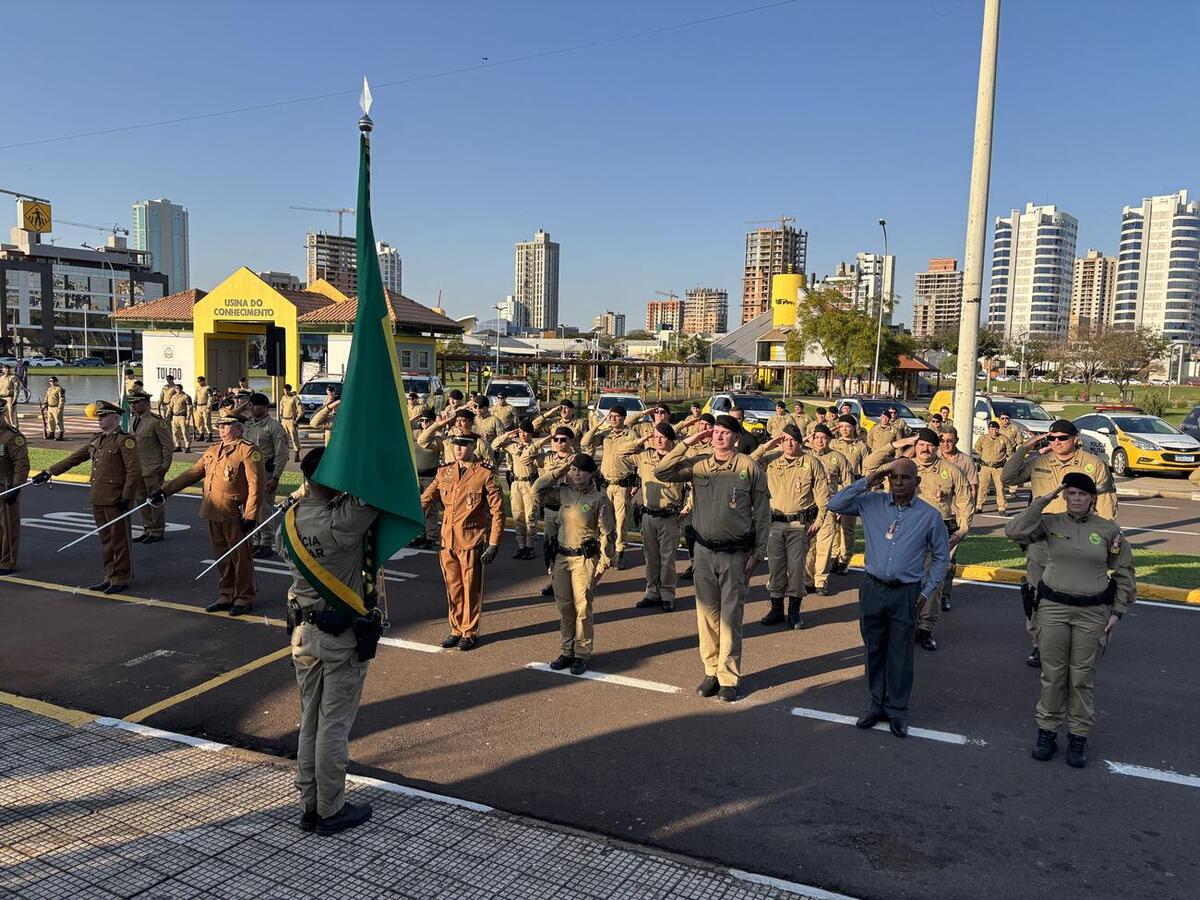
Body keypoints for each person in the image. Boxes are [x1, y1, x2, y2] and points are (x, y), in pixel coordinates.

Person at [279, 447, 381, 836]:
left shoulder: (290, 518)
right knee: (333, 725)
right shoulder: (344, 521)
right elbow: (379, 487)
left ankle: (308, 803)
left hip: (303, 633)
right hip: (340, 637)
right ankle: (330, 808)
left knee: (309, 722)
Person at [1004, 474, 1135, 768]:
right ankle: (1047, 731)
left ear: (1092, 498)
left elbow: (1124, 573)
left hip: (1093, 612)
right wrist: (1044, 500)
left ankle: (1078, 735)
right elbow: (1013, 531)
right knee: (1053, 673)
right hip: (1053, 608)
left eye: (1082, 494)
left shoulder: (1108, 530)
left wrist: (1117, 612)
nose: (1076, 498)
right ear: (1064, 495)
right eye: (1071, 493)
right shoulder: (1050, 524)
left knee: (1082, 676)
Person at [827, 457, 950, 738]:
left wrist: (926, 591)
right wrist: (868, 480)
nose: (898, 482)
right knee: (873, 648)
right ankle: (875, 705)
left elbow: (942, 558)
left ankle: (897, 710)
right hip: (873, 588)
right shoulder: (871, 503)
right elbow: (834, 504)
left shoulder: (929, 516)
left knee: (900, 653)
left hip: (906, 592)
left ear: (917, 482)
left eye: (906, 478)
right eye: (893, 477)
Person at [655, 415, 770, 702]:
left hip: (735, 554)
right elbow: (661, 471)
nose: (718, 437)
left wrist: (757, 554)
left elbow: (763, 515)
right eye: (714, 432)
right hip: (704, 552)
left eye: (724, 433)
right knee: (706, 615)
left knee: (731, 616)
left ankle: (729, 676)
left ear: (736, 438)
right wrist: (689, 442)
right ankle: (711, 671)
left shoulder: (749, 467)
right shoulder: (699, 464)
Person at [1002, 419, 1116, 666]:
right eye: (1052, 438)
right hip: (1043, 538)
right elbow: (1008, 478)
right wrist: (1025, 447)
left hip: (1080, 537)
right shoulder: (1040, 461)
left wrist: (1104, 542)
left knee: (1071, 593)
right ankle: (1039, 644)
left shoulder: (1093, 464)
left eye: (1062, 438)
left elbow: (1106, 506)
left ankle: (1074, 642)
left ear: (1075, 438)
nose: (1056, 443)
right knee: (1036, 593)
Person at [154, 412, 264, 614]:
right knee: (222, 556)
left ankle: (244, 597)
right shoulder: (213, 450)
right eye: (220, 426)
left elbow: (255, 485)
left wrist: (250, 515)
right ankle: (226, 595)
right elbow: (192, 473)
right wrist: (165, 491)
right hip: (213, 511)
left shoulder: (248, 451)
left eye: (226, 426)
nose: (221, 430)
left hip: (235, 512)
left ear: (238, 428)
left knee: (240, 558)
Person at [35, 401, 140, 592]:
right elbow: (74, 458)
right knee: (106, 540)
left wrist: (127, 497)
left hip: (116, 499)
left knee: (119, 539)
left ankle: (121, 578)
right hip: (98, 497)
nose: (99, 420)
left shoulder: (125, 440)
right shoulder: (97, 439)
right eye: (99, 417)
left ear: (115, 418)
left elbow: (134, 472)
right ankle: (109, 575)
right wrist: (49, 471)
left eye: (103, 416)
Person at [420, 434, 504, 650]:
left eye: (463, 444)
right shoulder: (444, 472)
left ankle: (469, 631)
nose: (458, 448)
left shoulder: (485, 474)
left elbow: (497, 511)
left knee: (471, 588)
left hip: (471, 539)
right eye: (455, 444)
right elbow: (425, 500)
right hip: (448, 540)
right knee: (453, 587)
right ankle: (456, 629)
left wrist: (493, 543)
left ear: (473, 446)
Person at [535, 452, 615, 674]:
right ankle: (566, 650)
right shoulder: (563, 493)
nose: (576, 473)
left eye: (581, 469)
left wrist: (604, 562)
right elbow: (536, 491)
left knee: (582, 608)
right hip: (561, 557)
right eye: (573, 469)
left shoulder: (599, 499)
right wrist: (558, 470)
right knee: (565, 607)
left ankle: (581, 653)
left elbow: (608, 532)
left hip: (584, 559)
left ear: (591, 474)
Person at [751, 424, 830, 628]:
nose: (788, 443)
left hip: (799, 526)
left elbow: (823, 496)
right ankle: (776, 610)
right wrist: (769, 445)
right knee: (775, 570)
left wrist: (819, 522)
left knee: (796, 571)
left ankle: (794, 612)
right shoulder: (772, 460)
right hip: (774, 524)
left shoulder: (811, 462)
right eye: (784, 439)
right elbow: (749, 461)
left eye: (792, 439)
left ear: (800, 441)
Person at [911, 428, 972, 648]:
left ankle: (926, 629)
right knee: (906, 582)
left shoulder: (951, 470)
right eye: (920, 445)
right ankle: (908, 625)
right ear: (915, 446)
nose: (924, 449)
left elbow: (965, 502)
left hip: (939, 534)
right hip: (909, 534)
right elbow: (871, 466)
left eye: (929, 445)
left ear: (936, 448)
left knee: (933, 584)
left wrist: (961, 531)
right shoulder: (905, 468)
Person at [626, 421, 689, 612]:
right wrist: (644, 438)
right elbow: (622, 453)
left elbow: (694, 485)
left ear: (671, 440)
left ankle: (668, 593)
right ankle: (652, 592)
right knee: (651, 557)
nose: (658, 440)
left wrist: (689, 507)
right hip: (648, 515)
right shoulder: (645, 456)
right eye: (656, 436)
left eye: (662, 437)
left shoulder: (679, 460)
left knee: (667, 558)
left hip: (669, 516)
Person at [581, 403, 650, 568]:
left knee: (620, 520)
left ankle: (619, 552)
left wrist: (637, 482)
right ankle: (606, 553)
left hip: (622, 485)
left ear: (623, 418)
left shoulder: (631, 435)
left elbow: (639, 460)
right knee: (604, 520)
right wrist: (598, 424)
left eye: (616, 416)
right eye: (610, 416)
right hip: (605, 485)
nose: (612, 419)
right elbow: (585, 442)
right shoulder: (606, 434)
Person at [807, 425, 852, 596]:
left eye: (823, 437)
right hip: (808, 507)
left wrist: (841, 505)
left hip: (828, 507)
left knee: (825, 545)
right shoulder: (805, 456)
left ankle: (821, 581)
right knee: (809, 546)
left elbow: (848, 485)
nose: (819, 441)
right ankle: (808, 579)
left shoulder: (838, 458)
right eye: (816, 437)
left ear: (829, 439)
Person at [243, 393, 290, 559]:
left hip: (265, 473)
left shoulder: (274, 426)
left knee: (264, 509)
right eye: (250, 405)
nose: (251, 408)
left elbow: (282, 454)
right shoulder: (248, 425)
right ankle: (255, 540)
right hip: (249, 473)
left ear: (264, 407)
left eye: (254, 405)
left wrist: (275, 477)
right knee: (251, 508)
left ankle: (266, 543)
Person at [937, 426, 978, 613]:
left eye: (950, 440)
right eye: (942, 440)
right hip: (932, 516)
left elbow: (972, 490)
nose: (946, 444)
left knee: (948, 560)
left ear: (956, 440)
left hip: (954, 517)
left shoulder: (966, 461)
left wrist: (965, 520)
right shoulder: (932, 457)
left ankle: (944, 595)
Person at [126, 390, 174, 544]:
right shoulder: (134, 420)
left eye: (136, 402)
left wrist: (164, 467)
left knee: (155, 501)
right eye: (131, 403)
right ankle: (147, 529)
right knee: (141, 500)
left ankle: (157, 531)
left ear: (146, 403)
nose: (133, 406)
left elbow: (168, 446)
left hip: (153, 469)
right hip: (137, 469)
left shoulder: (156, 421)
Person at [536, 425, 578, 597]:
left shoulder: (577, 460)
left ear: (571, 441)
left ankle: (572, 581)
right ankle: (554, 580)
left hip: (568, 510)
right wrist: (546, 438)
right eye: (556, 440)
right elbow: (524, 458)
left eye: (563, 440)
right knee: (550, 546)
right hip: (550, 509)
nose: (559, 443)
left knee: (568, 547)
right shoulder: (547, 458)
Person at [493, 420, 542, 559]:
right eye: (520, 432)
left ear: (531, 433)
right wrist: (508, 434)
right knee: (517, 516)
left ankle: (529, 546)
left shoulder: (535, 447)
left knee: (530, 516)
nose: (523, 435)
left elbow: (541, 465)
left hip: (530, 483)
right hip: (516, 483)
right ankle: (521, 546)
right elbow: (495, 444)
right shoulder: (513, 446)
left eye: (526, 431)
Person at [830, 414, 866, 573]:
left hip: (852, 489)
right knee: (832, 526)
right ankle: (833, 556)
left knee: (848, 527)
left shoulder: (861, 446)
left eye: (848, 426)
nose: (844, 429)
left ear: (854, 428)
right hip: (833, 488)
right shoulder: (832, 443)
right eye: (841, 426)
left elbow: (866, 470)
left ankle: (844, 559)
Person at [0, 419, 30, 575]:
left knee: (8, 527)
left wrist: (16, 487)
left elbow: (22, 464)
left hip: (5, 487)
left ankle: (7, 562)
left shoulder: (12, 437)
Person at [410, 408, 442, 550]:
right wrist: (416, 416)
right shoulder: (416, 433)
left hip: (430, 476)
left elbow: (433, 445)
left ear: (433, 422)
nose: (423, 423)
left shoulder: (437, 437)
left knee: (430, 509)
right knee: (417, 508)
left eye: (427, 420)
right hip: (417, 476)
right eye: (422, 420)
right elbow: (404, 427)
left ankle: (431, 537)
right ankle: (419, 535)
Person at [974, 420, 1014, 513]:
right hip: (985, 466)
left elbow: (1009, 451)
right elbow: (977, 448)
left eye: (996, 429)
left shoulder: (1003, 439)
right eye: (992, 429)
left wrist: (1006, 461)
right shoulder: (983, 438)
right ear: (989, 429)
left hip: (998, 467)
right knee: (983, 487)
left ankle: (1002, 507)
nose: (994, 431)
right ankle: (979, 506)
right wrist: (983, 455)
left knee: (1000, 487)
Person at [278, 383, 303, 462]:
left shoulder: (295, 398)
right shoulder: (283, 398)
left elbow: (301, 409)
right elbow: (281, 408)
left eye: (286, 390)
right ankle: (286, 454)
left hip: (292, 420)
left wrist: (297, 419)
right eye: (284, 390)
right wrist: (280, 418)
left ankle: (296, 454)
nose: (285, 392)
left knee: (294, 438)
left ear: (289, 390)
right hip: (284, 420)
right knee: (284, 438)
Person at [166, 383, 193, 453]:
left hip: (182, 416)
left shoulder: (186, 397)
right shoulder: (174, 397)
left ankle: (187, 446)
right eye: (176, 388)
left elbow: (189, 408)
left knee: (185, 432)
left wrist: (188, 418)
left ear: (182, 389)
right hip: (175, 417)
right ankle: (178, 446)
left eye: (179, 388)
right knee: (175, 433)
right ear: (175, 389)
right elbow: (170, 407)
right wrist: (167, 415)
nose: (178, 390)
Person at [42, 376, 66, 441]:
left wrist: (60, 408)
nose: (51, 382)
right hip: (49, 407)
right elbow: (46, 398)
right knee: (50, 421)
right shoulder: (49, 389)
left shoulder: (60, 389)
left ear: (56, 381)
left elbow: (62, 399)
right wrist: (44, 405)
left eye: (53, 381)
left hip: (56, 407)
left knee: (58, 421)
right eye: (50, 381)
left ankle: (60, 434)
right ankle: (51, 433)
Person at [193, 376, 214, 442]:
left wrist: (208, 406)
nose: (199, 383)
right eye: (198, 381)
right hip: (198, 407)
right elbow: (196, 397)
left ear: (203, 381)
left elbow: (211, 398)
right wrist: (194, 405)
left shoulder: (208, 388)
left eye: (200, 381)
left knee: (207, 421)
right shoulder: (198, 388)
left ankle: (210, 435)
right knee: (199, 422)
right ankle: (201, 434)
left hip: (205, 406)